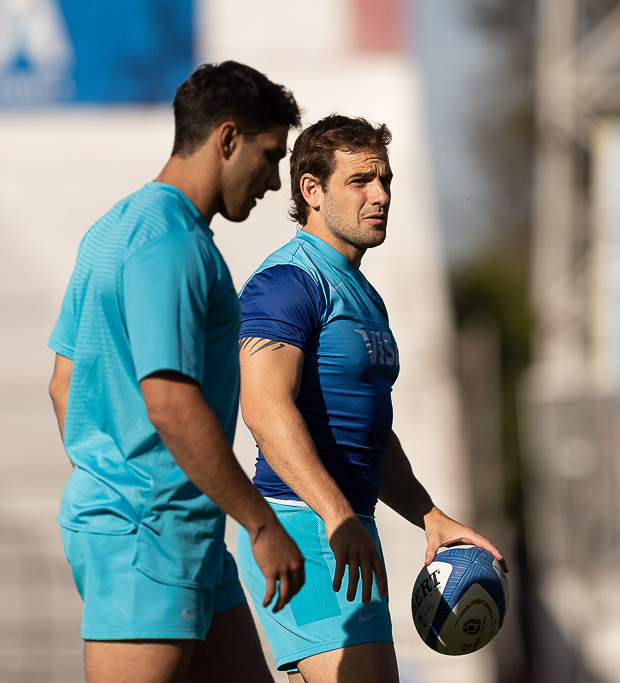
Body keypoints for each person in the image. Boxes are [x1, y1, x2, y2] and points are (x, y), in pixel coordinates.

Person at [46, 61, 306, 683]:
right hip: (149, 532)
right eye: (270, 156)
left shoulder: (113, 228)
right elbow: (169, 401)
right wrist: (260, 522)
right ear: (227, 139)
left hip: (178, 527)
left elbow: (63, 382)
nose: (273, 182)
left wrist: (110, 476)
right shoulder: (173, 243)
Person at [234, 114, 507, 682]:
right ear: (312, 190)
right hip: (303, 528)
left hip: (348, 530)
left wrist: (429, 517)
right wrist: (336, 516)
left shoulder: (364, 295)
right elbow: (263, 408)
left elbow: (370, 434)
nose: (380, 195)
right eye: (360, 181)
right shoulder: (286, 281)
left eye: (385, 180)